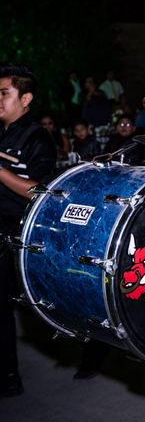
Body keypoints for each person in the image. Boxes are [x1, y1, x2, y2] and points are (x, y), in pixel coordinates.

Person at [0, 64, 57, 397]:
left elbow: (40, 191)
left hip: (14, 232)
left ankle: (8, 375)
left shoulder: (36, 135)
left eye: (4, 93)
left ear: (26, 98)